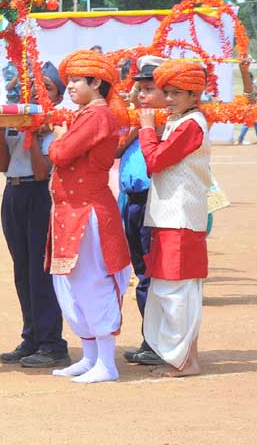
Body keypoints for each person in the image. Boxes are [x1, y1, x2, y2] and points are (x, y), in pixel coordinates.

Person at [48, 49, 131, 384]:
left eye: (75, 81)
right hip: (71, 211)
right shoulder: (86, 114)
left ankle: (106, 363)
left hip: (88, 213)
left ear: (96, 83)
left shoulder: (97, 116)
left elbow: (61, 152)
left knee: (92, 283)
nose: (68, 87)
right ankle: (91, 357)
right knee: (72, 286)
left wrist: (57, 137)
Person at [0, 62, 69, 368]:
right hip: (13, 192)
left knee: (41, 271)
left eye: (48, 87)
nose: (39, 91)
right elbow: (0, 164)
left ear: (59, 96)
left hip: (40, 195)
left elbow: (41, 172)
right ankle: (31, 337)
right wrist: (0, 126)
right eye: (35, 86)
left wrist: (34, 137)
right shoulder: (17, 117)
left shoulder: (59, 124)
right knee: (22, 269)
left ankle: (52, 343)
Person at [138, 60, 211, 378]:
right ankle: (184, 359)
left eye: (176, 93)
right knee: (174, 290)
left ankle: (185, 361)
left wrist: (144, 128)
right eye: (166, 92)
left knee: (176, 292)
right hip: (171, 217)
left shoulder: (191, 124)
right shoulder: (181, 120)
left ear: (194, 95)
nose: (167, 99)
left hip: (179, 218)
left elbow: (155, 159)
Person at [115, 55, 168, 365]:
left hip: (152, 199)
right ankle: (151, 340)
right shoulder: (139, 121)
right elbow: (116, 150)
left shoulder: (165, 122)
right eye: (139, 90)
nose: (141, 96)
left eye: (148, 89)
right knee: (142, 273)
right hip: (132, 200)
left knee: (152, 274)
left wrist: (141, 125)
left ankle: (158, 343)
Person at [237, 72, 257, 145]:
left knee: (246, 124)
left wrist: (254, 99)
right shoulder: (250, 85)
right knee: (256, 124)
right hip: (251, 107)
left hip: (251, 107)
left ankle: (240, 140)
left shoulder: (251, 85)